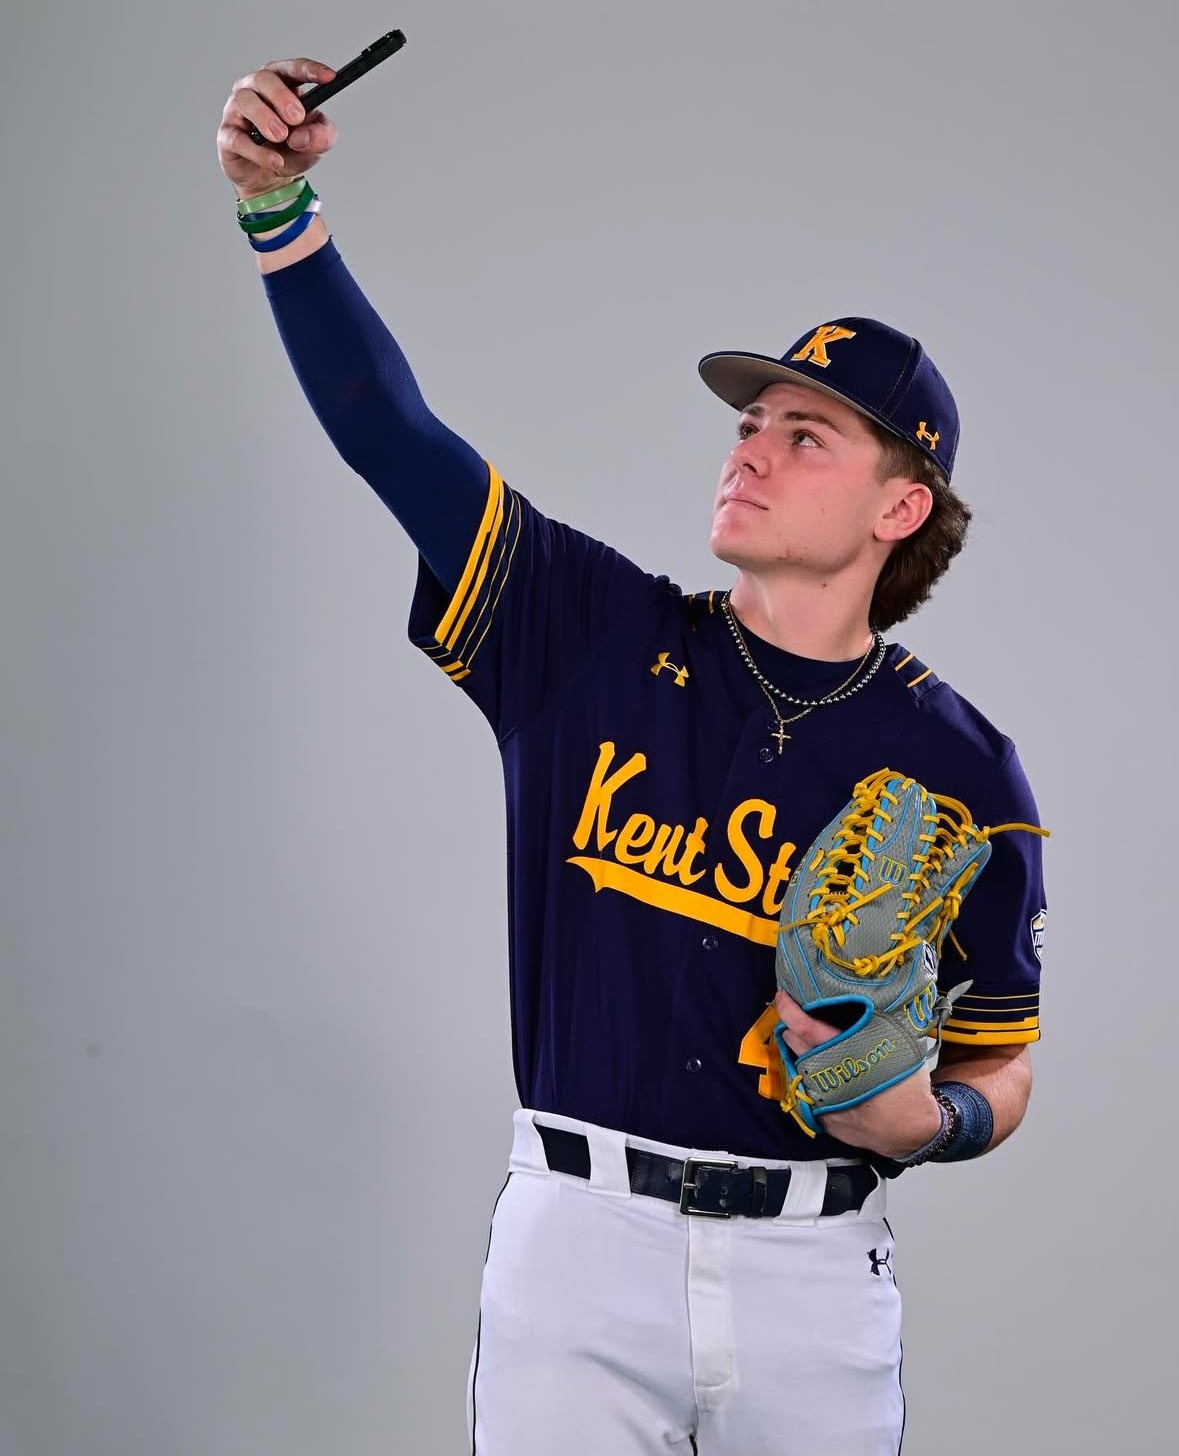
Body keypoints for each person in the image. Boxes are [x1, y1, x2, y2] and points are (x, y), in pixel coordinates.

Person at [216, 55, 1047, 1456]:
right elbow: (390, 436)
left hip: (814, 1275)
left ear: (901, 507)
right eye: (748, 423)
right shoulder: (581, 632)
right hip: (578, 1250)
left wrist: (936, 1123)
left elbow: (1004, 1059)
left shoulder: (962, 768)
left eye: (805, 435)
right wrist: (277, 211)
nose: (750, 451)